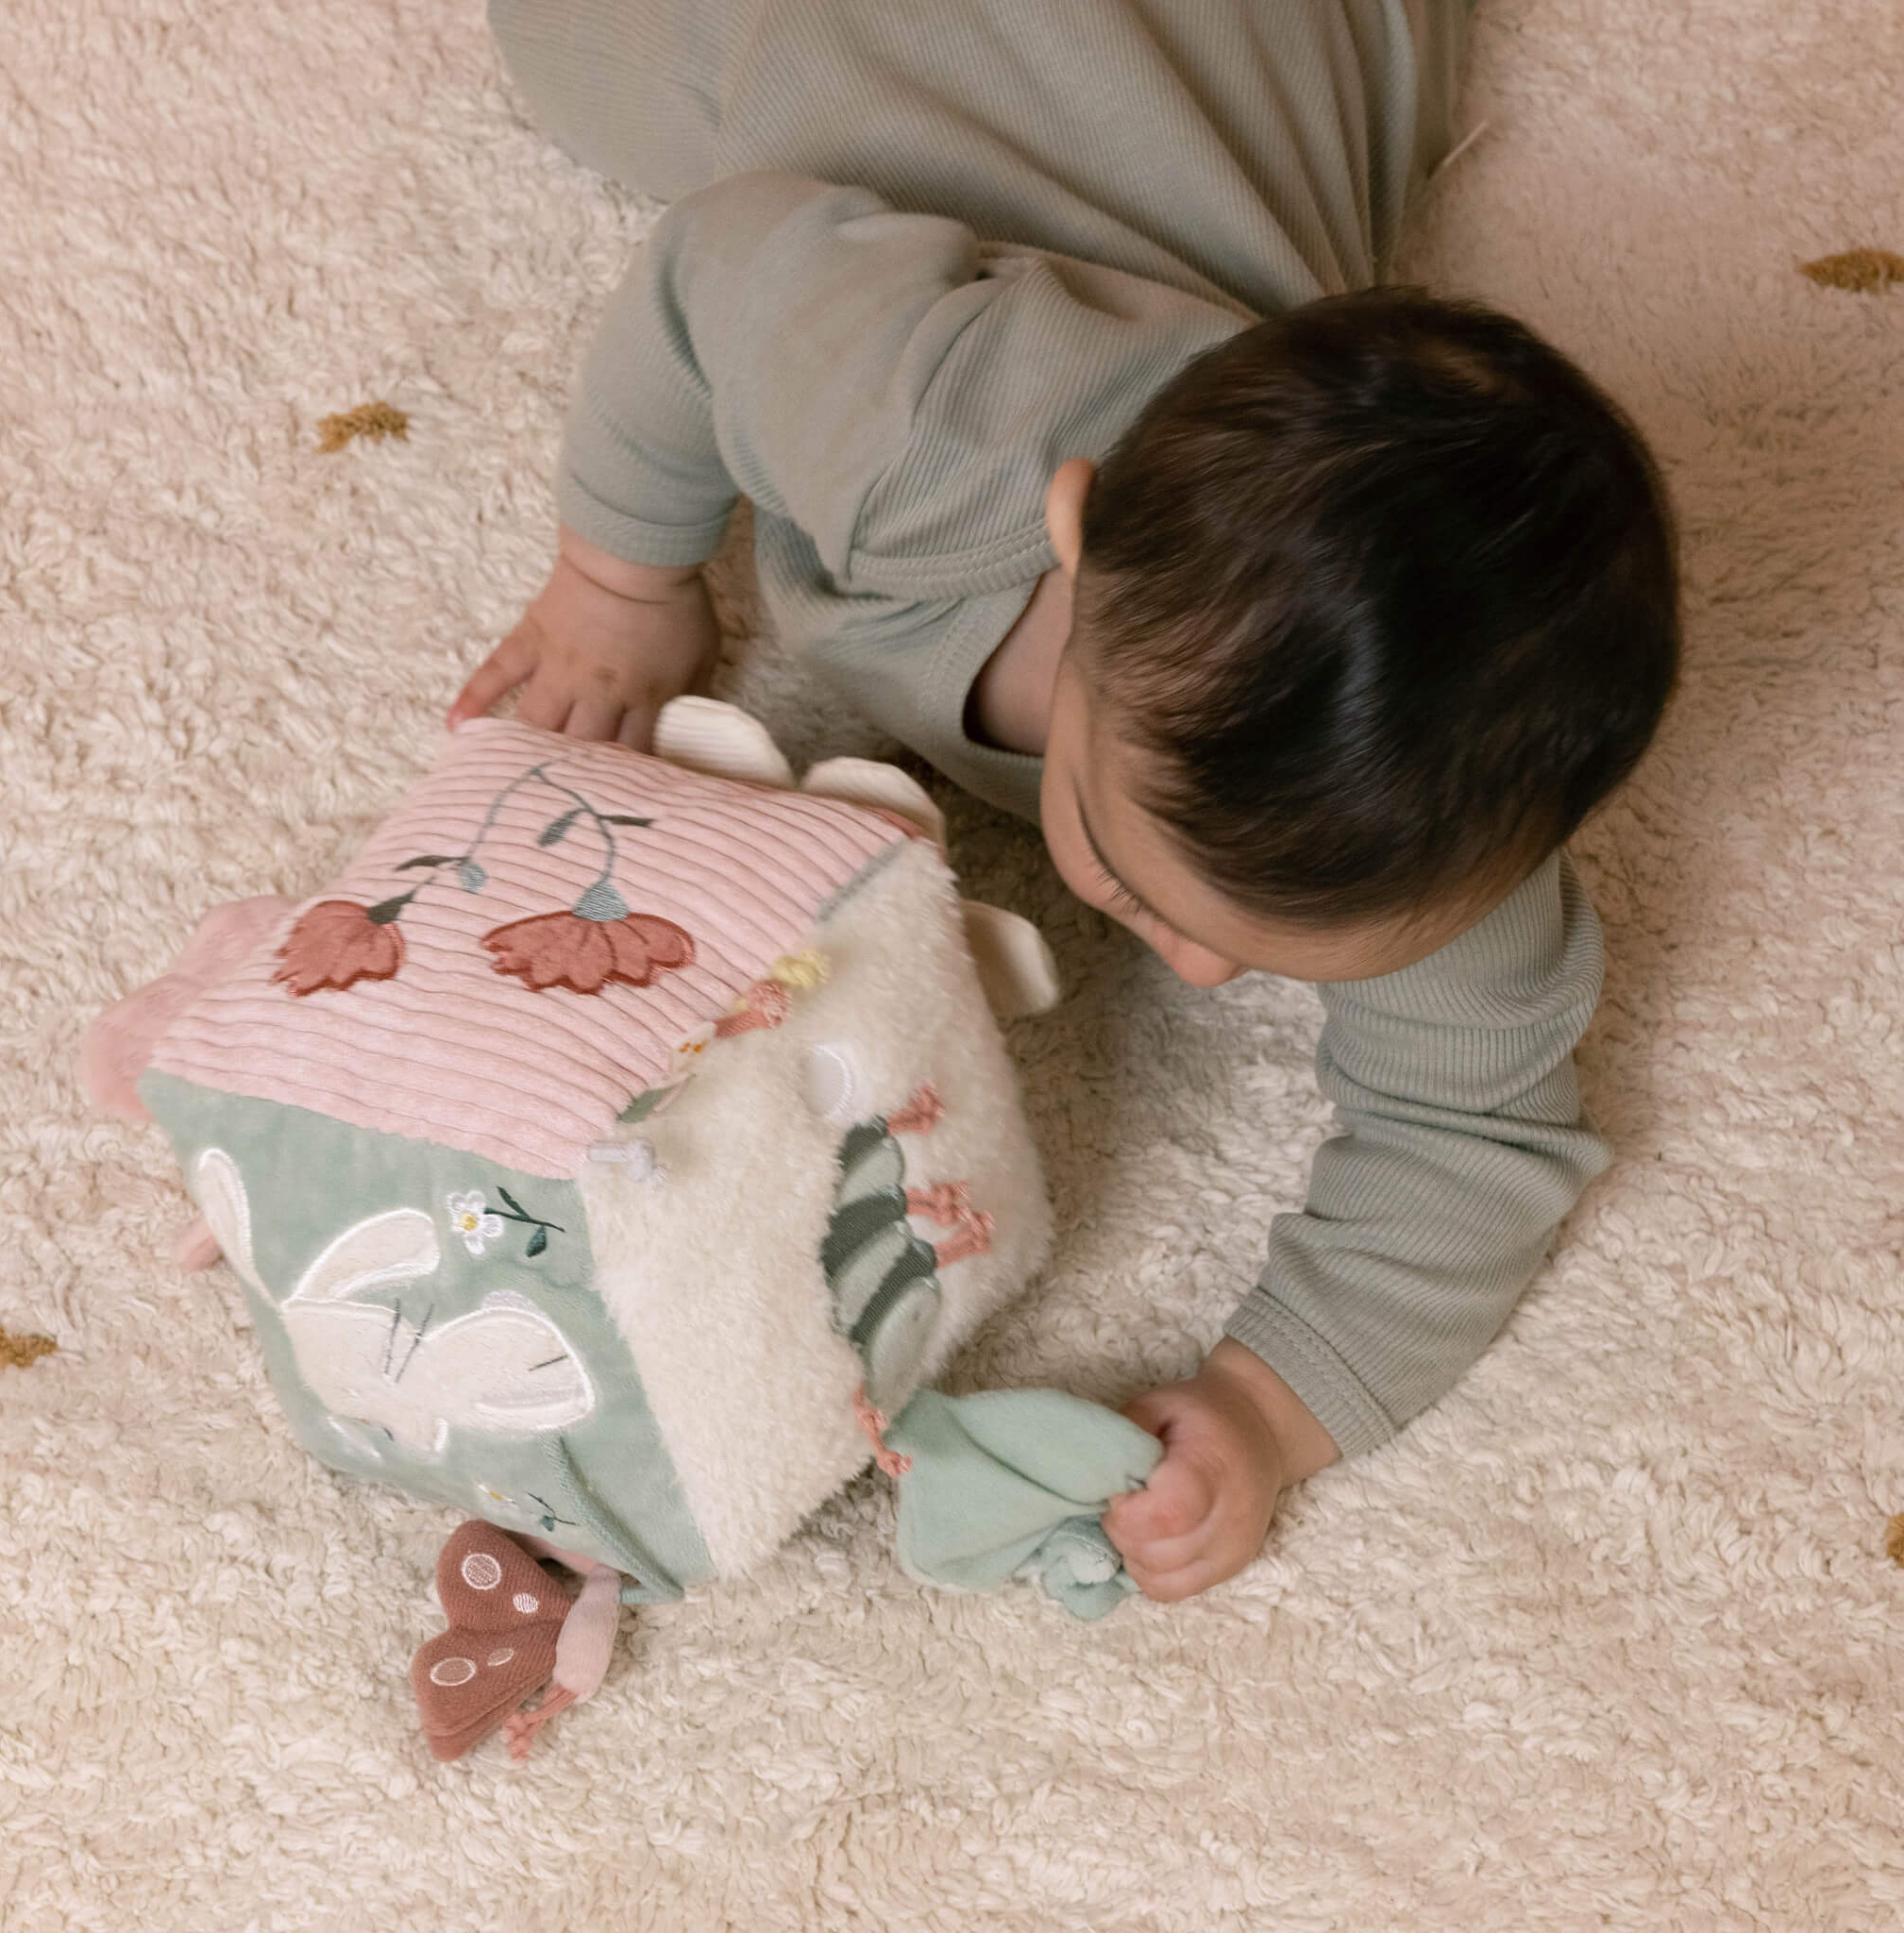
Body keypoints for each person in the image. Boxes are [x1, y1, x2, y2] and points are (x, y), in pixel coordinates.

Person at [453, 0, 1681, 1602]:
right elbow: (710, 274)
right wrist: (621, 575)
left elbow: (1481, 1137)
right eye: (1145, 877)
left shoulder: (1445, 830)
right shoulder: (925, 421)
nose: (1201, 976)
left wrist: (1271, 1406)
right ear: (1075, 535)